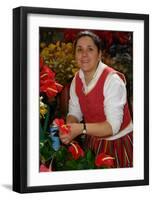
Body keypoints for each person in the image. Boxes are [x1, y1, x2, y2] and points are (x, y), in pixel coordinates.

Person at [59, 31, 133, 168]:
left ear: (99, 55)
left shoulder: (113, 81)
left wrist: (80, 129)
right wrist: (69, 128)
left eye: (90, 49)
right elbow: (74, 112)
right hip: (92, 140)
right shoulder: (77, 79)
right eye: (79, 49)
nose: (84, 54)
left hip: (117, 143)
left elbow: (112, 127)